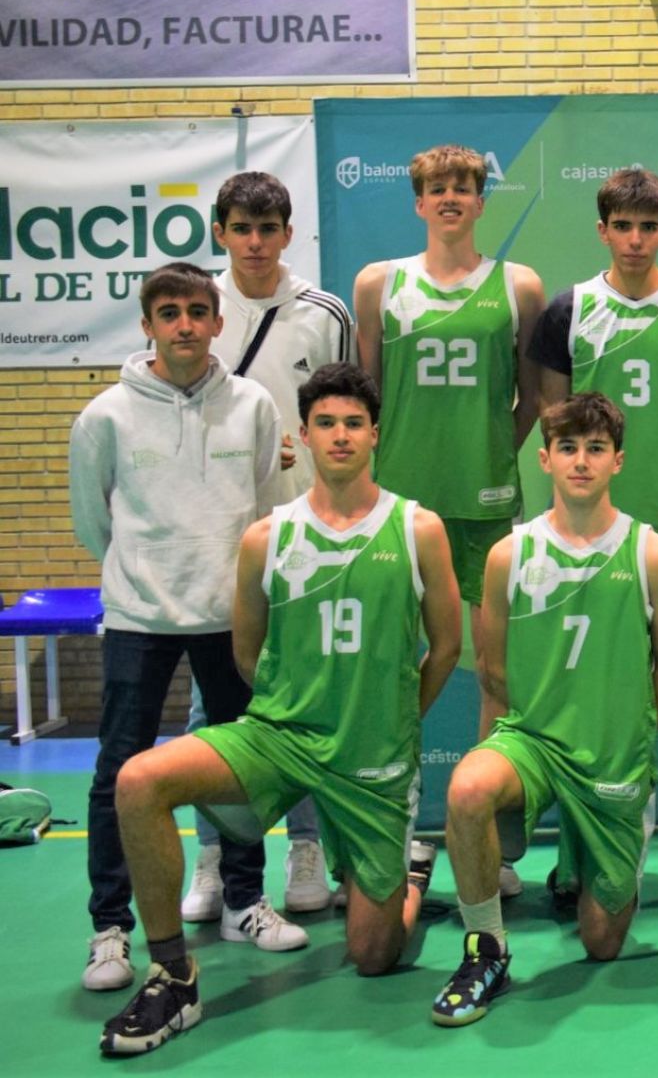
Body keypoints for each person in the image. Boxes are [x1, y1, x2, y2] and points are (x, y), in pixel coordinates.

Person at [99, 363, 463, 1053]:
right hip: (282, 737)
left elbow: (446, 647)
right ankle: (172, 975)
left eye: (353, 423)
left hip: (373, 756)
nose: (340, 435)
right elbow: (248, 653)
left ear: (375, 434)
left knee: (374, 954)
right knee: (139, 780)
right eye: (326, 423)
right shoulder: (267, 537)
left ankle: (409, 873)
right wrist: (290, 709)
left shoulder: (418, 528)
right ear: (306, 433)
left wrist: (395, 720)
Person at [432, 392, 658, 1026]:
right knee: (468, 788)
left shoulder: (650, 552)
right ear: (544, 458)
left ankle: (587, 847)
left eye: (595, 449)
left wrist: (630, 734)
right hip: (535, 745)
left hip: (611, 753)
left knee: (602, 943)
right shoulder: (510, 554)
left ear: (618, 461)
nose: (581, 461)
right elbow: (493, 669)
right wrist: (506, 743)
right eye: (568, 448)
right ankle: (486, 949)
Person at [69, 263, 291, 997]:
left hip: (230, 619)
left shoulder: (253, 404)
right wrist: (141, 574)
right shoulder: (105, 416)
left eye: (198, 311)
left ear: (218, 321)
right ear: (148, 325)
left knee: (241, 767)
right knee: (118, 771)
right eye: (169, 313)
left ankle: (243, 901)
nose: (185, 325)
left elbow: (265, 510)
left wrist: (240, 593)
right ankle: (110, 928)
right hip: (139, 619)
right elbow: (93, 521)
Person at [177, 171, 356, 919]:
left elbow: (344, 411)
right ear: (220, 232)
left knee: (304, 702)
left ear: (288, 233)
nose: (255, 242)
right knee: (215, 708)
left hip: (306, 539)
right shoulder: (197, 309)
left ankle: (306, 849)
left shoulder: (324, 311)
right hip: (223, 540)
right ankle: (213, 857)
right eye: (242, 228)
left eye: (269, 228)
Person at [530, 168, 658, 770]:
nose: (635, 240)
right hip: (595, 520)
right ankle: (597, 786)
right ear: (602, 230)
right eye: (622, 226)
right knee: (597, 657)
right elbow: (554, 416)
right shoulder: (569, 309)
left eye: (648, 227)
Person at [351, 144, 547, 615]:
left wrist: (492, 450)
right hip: (402, 488)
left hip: (485, 491)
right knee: (394, 633)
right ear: (420, 204)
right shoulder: (378, 283)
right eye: (437, 189)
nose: (450, 198)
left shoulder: (519, 285)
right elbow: (367, 396)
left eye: (462, 189)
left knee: (492, 643)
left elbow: (533, 397)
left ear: (480, 203)